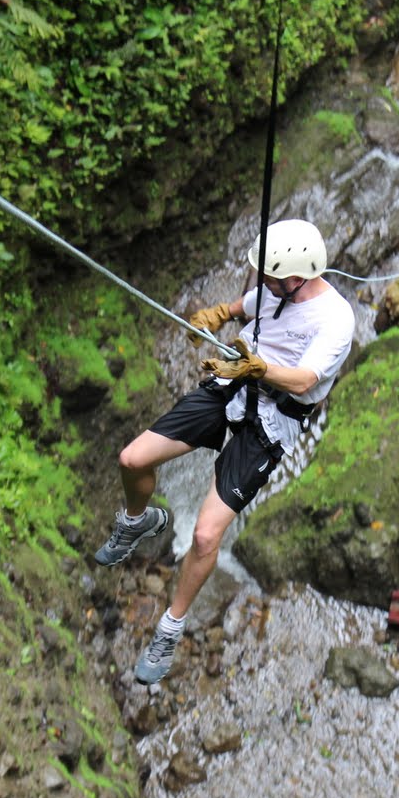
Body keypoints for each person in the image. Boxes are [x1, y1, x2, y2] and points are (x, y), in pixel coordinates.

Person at [95, 218, 356, 684]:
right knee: (132, 459)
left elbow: (304, 380)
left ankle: (170, 627)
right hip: (230, 387)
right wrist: (217, 313)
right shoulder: (276, 291)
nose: (265, 284)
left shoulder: (336, 320)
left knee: (204, 536)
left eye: (273, 278)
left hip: (272, 420)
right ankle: (138, 521)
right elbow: (242, 304)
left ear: (297, 277)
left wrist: (258, 368)